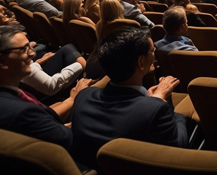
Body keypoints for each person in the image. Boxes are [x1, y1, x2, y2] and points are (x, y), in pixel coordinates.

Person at [71, 26, 188, 170]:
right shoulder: (155, 109)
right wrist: (166, 103)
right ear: (140, 62)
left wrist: (151, 102)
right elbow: (178, 145)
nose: (154, 54)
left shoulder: (83, 96)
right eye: (152, 51)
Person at [0, 25, 91, 150]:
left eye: (30, 47)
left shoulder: (5, 93)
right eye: (24, 49)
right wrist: (73, 99)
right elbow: (71, 140)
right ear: (1, 61)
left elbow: (44, 113)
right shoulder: (22, 112)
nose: (33, 53)